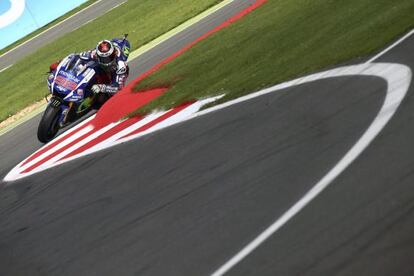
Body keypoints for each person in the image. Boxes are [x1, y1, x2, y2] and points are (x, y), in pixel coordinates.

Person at [49, 36, 131, 96]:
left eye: (108, 58)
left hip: (114, 71)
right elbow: (79, 57)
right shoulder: (94, 53)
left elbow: (119, 89)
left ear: (114, 54)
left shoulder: (121, 66)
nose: (105, 61)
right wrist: (62, 63)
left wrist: (103, 87)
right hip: (102, 68)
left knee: (112, 96)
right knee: (87, 65)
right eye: (102, 58)